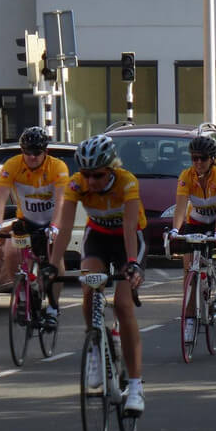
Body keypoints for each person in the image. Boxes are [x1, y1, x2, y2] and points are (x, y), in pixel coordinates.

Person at [50, 134, 146, 415]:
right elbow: (65, 228)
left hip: (128, 240)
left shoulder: (127, 182)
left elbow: (130, 228)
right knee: (90, 289)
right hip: (99, 237)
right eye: (87, 174)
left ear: (111, 168)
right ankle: (94, 349)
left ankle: (136, 387)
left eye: (98, 175)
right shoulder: (77, 184)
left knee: (123, 305)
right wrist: (52, 265)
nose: (91, 181)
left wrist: (131, 264)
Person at [0, 126, 69, 328]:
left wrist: (55, 227)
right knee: (11, 254)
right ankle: (23, 293)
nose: (32, 157)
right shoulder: (12, 165)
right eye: (27, 152)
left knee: (54, 260)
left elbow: (60, 202)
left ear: (46, 152)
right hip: (27, 221)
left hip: (52, 222)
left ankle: (52, 307)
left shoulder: (58, 167)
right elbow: (0, 199)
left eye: (36, 153)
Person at [169, 134, 216, 304]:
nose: (198, 162)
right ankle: (190, 319)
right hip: (197, 220)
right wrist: (175, 230)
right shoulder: (186, 176)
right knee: (188, 268)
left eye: (203, 158)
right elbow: (181, 207)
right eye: (194, 158)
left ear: (212, 159)